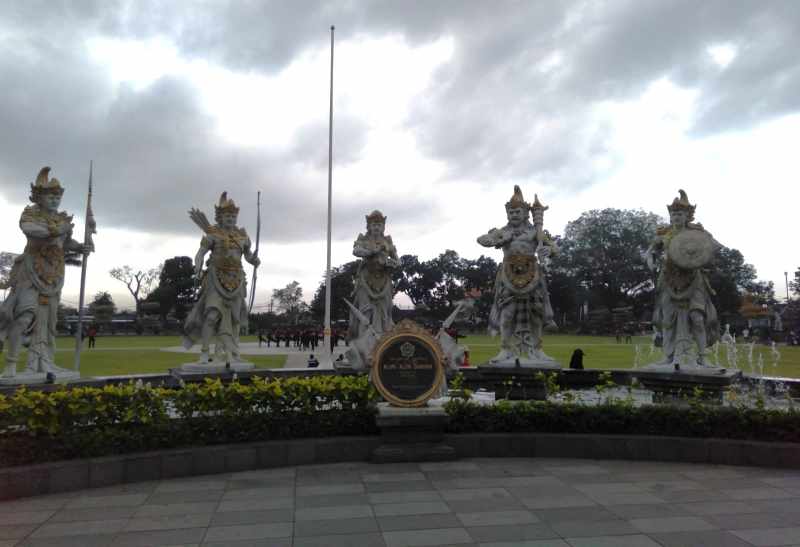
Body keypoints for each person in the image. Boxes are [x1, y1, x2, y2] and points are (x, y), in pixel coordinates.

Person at [0, 167, 92, 379]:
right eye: (51, 196)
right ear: (39, 197)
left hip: (54, 275)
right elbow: (31, 230)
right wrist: (55, 231)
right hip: (30, 273)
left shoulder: (62, 220)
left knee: (49, 322)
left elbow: (65, 243)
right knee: (24, 317)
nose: (55, 200)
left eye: (58, 197)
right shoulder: (31, 215)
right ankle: (11, 364)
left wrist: (80, 247)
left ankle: (44, 362)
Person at [477, 186, 557, 364]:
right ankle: (505, 349)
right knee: (507, 313)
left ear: (526, 213)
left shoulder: (535, 232)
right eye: (511, 212)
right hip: (509, 276)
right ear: (507, 214)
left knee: (536, 313)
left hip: (532, 275)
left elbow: (554, 248)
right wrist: (499, 239)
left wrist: (549, 250)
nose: (514, 215)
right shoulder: (503, 231)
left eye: (517, 211)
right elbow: (482, 240)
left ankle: (537, 350)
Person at [644, 190, 720, 367]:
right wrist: (651, 260)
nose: (676, 217)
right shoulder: (664, 234)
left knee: (697, 318)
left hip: (693, 279)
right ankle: (668, 356)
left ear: (687, 216)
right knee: (667, 320)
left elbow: (715, 247)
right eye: (673, 214)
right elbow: (650, 252)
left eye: (679, 214)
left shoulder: (696, 232)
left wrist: (702, 255)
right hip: (668, 279)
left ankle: (703, 356)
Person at [182, 192, 260, 364]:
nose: (230, 218)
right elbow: (201, 252)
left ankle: (233, 352)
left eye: (233, 216)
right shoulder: (213, 233)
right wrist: (198, 265)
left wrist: (255, 261)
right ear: (220, 217)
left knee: (235, 319)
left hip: (237, 279)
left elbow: (248, 256)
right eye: (227, 216)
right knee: (211, 316)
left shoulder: (242, 236)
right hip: (216, 278)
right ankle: (204, 352)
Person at [348, 210, 399, 341]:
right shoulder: (363, 239)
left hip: (384, 280)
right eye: (374, 224)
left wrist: (392, 263)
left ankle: (384, 343)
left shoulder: (387, 241)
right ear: (369, 226)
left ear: (383, 227)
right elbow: (356, 251)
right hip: (365, 280)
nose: (376, 227)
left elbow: (398, 261)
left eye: (379, 225)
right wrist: (371, 252)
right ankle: (363, 342)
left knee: (385, 314)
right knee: (365, 312)